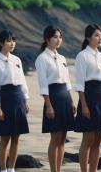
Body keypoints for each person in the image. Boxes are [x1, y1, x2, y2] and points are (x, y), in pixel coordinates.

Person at [74, 24, 101, 172]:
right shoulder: (82, 56)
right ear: (88, 37)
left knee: (98, 141)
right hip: (90, 98)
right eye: (96, 35)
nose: (100, 38)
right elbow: (79, 84)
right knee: (88, 139)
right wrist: (84, 105)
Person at [35, 25, 76, 172]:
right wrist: (48, 105)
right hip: (52, 97)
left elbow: (67, 81)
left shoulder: (62, 58)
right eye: (55, 37)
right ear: (47, 39)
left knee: (63, 138)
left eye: (60, 37)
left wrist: (71, 101)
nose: (58, 40)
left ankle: (59, 169)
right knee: (55, 138)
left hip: (65, 97)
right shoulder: (42, 58)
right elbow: (43, 84)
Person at [0, 30, 29, 172]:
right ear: (1, 43)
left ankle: (11, 168)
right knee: (4, 139)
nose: (12, 43)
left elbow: (23, 81)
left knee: (16, 138)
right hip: (5, 99)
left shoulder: (17, 60)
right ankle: (3, 169)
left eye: (13, 40)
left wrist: (26, 100)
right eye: (8, 40)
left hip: (18, 98)